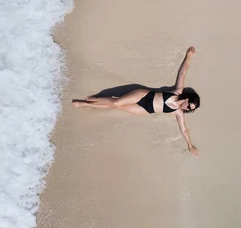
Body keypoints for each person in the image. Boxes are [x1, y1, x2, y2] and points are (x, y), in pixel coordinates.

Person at [72, 46, 201, 156]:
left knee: (115, 106)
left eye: (190, 109)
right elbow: (182, 73)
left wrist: (190, 145)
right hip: (143, 95)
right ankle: (89, 101)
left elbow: (184, 129)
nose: (188, 108)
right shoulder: (177, 91)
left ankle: (88, 105)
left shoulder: (178, 112)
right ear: (188, 99)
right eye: (189, 105)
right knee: (116, 102)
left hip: (144, 109)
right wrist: (188, 56)